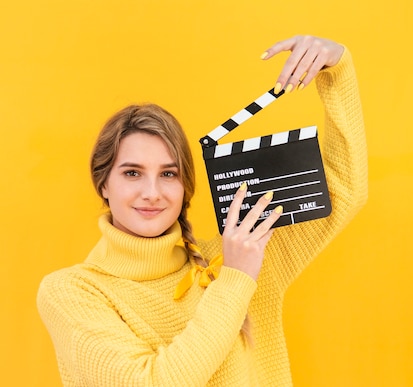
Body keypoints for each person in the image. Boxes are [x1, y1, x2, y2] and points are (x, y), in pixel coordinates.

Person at [37, 34, 367, 386]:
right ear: (103, 183)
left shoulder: (241, 254)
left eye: (168, 174)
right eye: (132, 173)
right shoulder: (73, 291)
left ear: (185, 188)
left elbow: (343, 191)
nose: (152, 193)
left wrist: (338, 69)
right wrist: (236, 281)